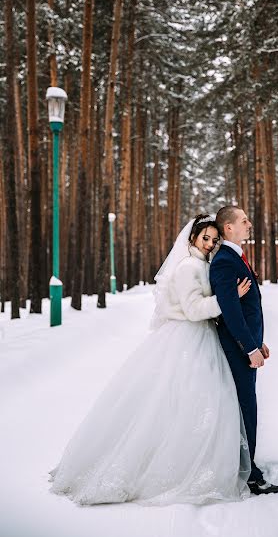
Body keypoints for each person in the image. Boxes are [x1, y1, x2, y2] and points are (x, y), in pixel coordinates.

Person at [49, 215, 252, 506]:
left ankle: (193, 458)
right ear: (192, 238)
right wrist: (228, 297)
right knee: (181, 400)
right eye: (204, 238)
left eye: (213, 239)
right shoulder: (188, 268)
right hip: (188, 338)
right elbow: (194, 310)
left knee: (197, 403)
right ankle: (173, 467)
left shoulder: (201, 265)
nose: (209, 244)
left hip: (200, 338)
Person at [210, 206, 278, 495]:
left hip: (246, 344)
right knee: (245, 409)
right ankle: (250, 474)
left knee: (245, 409)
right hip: (238, 350)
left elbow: (245, 307)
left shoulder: (234, 257)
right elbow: (230, 312)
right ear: (228, 227)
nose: (249, 223)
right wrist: (249, 346)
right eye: (243, 220)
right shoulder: (224, 262)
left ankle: (243, 465)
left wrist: (258, 340)